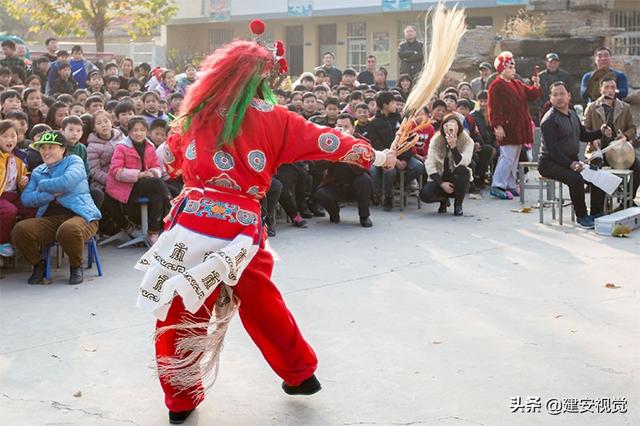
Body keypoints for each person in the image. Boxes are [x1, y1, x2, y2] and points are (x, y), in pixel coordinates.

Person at [134, 24, 396, 424]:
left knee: (181, 304)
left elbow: (169, 160)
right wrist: (376, 157)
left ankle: (180, 399)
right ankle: (299, 374)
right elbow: (328, 140)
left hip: (191, 221)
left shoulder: (194, 115)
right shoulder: (277, 119)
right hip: (241, 228)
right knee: (262, 303)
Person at [11, 130, 101, 284]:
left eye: (51, 147)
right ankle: (38, 265)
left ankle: (75, 266)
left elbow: (66, 182)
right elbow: (26, 199)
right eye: (43, 148)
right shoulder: (39, 170)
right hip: (50, 219)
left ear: (62, 149)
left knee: (68, 229)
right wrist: (51, 194)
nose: (46, 152)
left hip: (82, 216)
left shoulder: (74, 161)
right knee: (20, 230)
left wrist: (42, 185)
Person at [539, 82, 608, 229]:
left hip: (570, 161)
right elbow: (553, 150)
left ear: (569, 96)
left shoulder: (573, 114)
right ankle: (582, 216)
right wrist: (571, 164)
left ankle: (596, 212)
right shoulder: (549, 120)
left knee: (598, 175)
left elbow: (583, 135)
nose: (559, 98)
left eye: (562, 94)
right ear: (550, 98)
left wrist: (600, 132)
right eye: (555, 95)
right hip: (549, 163)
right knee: (576, 179)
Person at [106, 116, 170, 244]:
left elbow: (156, 166)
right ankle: (170, 207)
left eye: (142, 130)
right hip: (127, 188)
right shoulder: (121, 147)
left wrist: (154, 172)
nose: (138, 133)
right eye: (135, 130)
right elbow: (116, 171)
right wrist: (140, 175)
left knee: (157, 196)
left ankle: (153, 232)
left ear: (146, 132)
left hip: (145, 185)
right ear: (129, 133)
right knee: (157, 183)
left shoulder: (149, 146)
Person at [488, 51, 541, 199]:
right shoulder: (496, 85)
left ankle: (510, 184)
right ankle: (497, 184)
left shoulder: (517, 83)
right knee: (507, 156)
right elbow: (494, 107)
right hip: (507, 126)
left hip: (519, 125)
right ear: (502, 68)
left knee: (515, 157)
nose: (513, 69)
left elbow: (531, 95)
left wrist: (536, 84)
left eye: (513, 66)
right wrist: (497, 125)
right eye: (510, 66)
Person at [583, 77, 639, 198]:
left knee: (638, 166)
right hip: (598, 151)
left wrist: (625, 135)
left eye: (613, 87)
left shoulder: (625, 107)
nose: (610, 90)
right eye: (607, 87)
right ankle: (600, 204)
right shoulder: (592, 107)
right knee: (595, 169)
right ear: (600, 89)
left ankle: (627, 198)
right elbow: (583, 129)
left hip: (620, 151)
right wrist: (593, 138)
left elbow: (632, 128)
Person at [315, 114, 373, 227]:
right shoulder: (328, 142)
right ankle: (334, 213)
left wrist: (346, 153)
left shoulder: (362, 142)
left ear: (353, 128)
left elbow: (363, 168)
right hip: (334, 183)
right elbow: (317, 167)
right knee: (321, 194)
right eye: (340, 126)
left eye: (346, 127)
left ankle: (364, 216)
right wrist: (333, 154)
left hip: (355, 183)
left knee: (364, 180)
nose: (343, 130)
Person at [421, 113, 473, 216]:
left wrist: (453, 147)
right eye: (448, 125)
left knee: (463, 170)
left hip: (456, 178)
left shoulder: (465, 139)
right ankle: (443, 199)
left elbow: (466, 161)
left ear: (459, 126)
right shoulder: (437, 139)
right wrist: (441, 184)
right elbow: (430, 164)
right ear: (443, 126)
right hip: (440, 177)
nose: (451, 128)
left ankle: (458, 204)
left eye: (454, 125)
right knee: (424, 195)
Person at [0, 120, 33, 257]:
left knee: (32, 207)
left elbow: (20, 178)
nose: (10, 139)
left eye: (13, 136)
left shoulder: (20, 156)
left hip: (13, 194)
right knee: (9, 211)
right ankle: (2, 241)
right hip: (1, 196)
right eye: (5, 136)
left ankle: (21, 238)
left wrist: (24, 181)